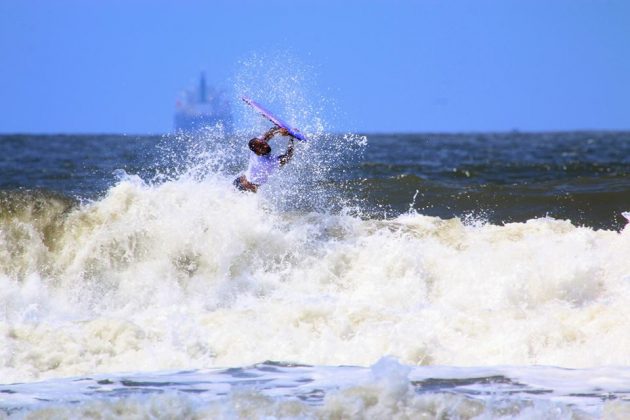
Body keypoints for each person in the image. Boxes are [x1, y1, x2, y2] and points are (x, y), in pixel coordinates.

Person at [233, 126, 295, 193]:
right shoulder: (266, 163)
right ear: (257, 152)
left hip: (241, 179)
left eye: (263, 143)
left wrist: (279, 129)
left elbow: (267, 135)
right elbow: (288, 156)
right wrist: (291, 138)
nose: (265, 146)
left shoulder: (256, 145)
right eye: (261, 147)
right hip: (245, 189)